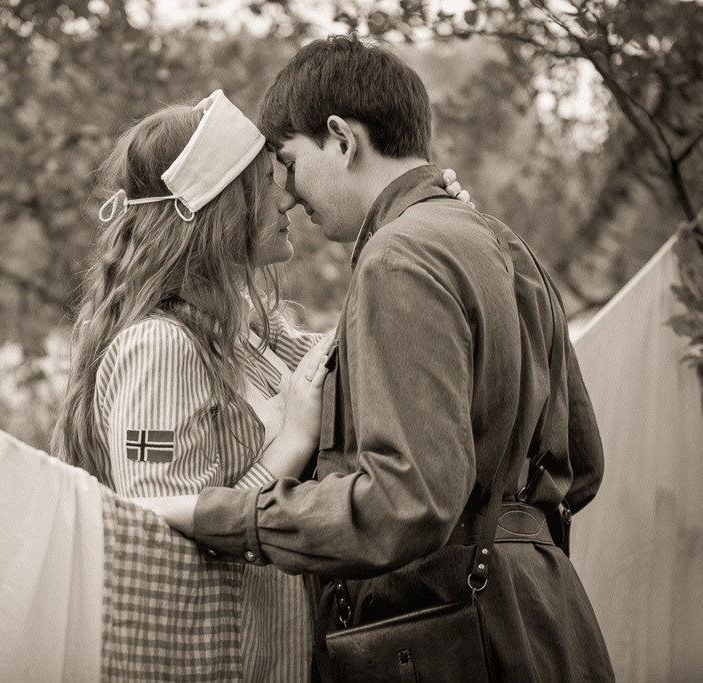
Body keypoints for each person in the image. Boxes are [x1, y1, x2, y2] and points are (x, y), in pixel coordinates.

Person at [143, 36, 615, 681]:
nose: (284, 192)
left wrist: (216, 515)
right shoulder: (504, 242)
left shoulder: (401, 257)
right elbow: (582, 467)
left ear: (341, 138)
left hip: (452, 638)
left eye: (287, 160)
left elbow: (407, 501)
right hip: (547, 619)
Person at [55, 91, 333, 682]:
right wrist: (292, 445)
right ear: (222, 207)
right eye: (265, 183)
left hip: (267, 648)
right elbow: (159, 525)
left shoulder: (242, 332)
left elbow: (349, 354)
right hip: (208, 660)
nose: (289, 197)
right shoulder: (160, 348)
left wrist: (424, 223)